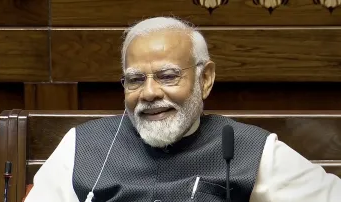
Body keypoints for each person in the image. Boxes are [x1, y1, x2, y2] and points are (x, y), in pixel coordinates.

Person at [24, 17, 341, 202]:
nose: (149, 93)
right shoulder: (83, 146)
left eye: (167, 76)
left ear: (205, 80)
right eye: (135, 80)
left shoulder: (251, 150)